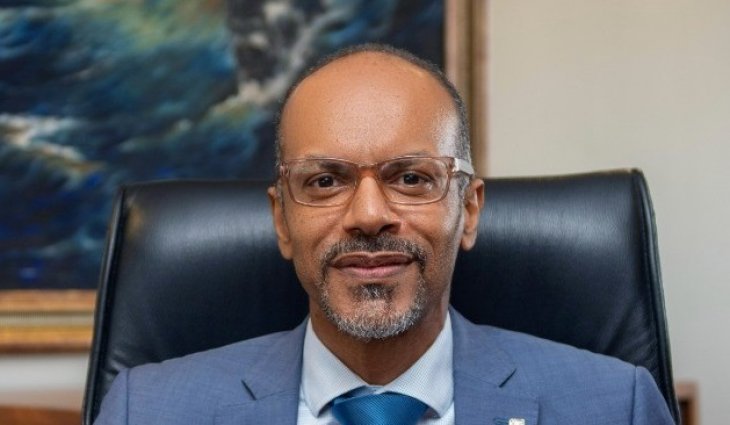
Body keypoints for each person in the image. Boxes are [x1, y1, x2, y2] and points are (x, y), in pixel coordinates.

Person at [93, 44, 675, 425]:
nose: (369, 215)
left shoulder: (613, 406)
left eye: (412, 177)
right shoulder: (146, 411)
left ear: (469, 209)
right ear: (282, 221)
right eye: (325, 180)